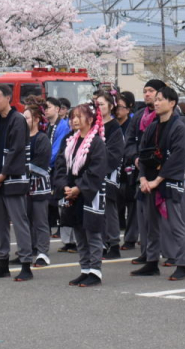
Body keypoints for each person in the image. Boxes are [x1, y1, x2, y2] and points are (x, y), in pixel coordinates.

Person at [132, 85, 185, 281]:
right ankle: (151, 262)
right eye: (155, 99)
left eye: (160, 99)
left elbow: (177, 158)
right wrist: (143, 178)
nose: (156, 102)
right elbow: (142, 153)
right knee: (151, 225)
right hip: (149, 181)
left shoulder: (179, 127)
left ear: (172, 103)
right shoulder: (152, 126)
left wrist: (157, 180)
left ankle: (182, 264)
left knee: (176, 225)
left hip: (169, 182)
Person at [0, 84, 34, 281]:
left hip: (13, 179)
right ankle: (2, 263)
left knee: (19, 221)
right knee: (1, 223)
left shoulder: (18, 120)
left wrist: (2, 174)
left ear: (8, 98)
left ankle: (26, 264)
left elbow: (16, 150)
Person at [61, 101, 110, 286]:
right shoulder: (71, 141)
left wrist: (79, 188)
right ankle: (85, 269)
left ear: (90, 119)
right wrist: (64, 186)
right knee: (78, 231)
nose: (74, 120)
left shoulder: (96, 142)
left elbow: (97, 169)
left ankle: (95, 271)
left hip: (90, 192)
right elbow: (61, 165)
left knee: (93, 233)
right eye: (73, 117)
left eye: (79, 116)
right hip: (73, 191)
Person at [127, 80, 164, 263]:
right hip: (140, 169)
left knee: (161, 215)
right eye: (145, 91)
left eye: (151, 91)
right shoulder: (139, 115)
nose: (147, 94)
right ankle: (146, 253)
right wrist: (134, 157)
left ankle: (169, 252)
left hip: (159, 171)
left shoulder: (166, 116)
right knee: (143, 214)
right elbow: (130, 141)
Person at [95, 91, 126, 259]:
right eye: (96, 105)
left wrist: (101, 167)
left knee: (109, 208)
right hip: (95, 171)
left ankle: (114, 244)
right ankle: (101, 242)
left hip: (109, 172)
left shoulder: (114, 127)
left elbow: (115, 153)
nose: (98, 108)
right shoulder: (95, 124)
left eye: (101, 104)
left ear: (111, 106)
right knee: (96, 208)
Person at [25, 104, 53, 267]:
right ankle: (28, 248)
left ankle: (42, 252)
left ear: (36, 119)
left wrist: (20, 167)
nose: (24, 120)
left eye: (27, 117)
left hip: (39, 186)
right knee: (25, 220)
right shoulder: (21, 137)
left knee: (40, 220)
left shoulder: (42, 138)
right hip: (23, 186)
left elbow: (41, 163)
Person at [46, 97, 74, 252]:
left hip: (58, 169)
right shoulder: (50, 126)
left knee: (65, 204)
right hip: (54, 170)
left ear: (58, 109)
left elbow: (56, 151)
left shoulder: (62, 126)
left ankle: (71, 241)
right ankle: (67, 240)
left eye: (49, 107)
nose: (46, 110)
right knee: (60, 205)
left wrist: (46, 163)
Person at [116, 92, 139, 252]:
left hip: (129, 169)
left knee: (132, 206)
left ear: (129, 108)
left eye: (120, 107)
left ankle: (130, 238)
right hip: (114, 170)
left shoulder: (132, 124)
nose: (117, 110)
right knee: (116, 205)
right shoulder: (111, 125)